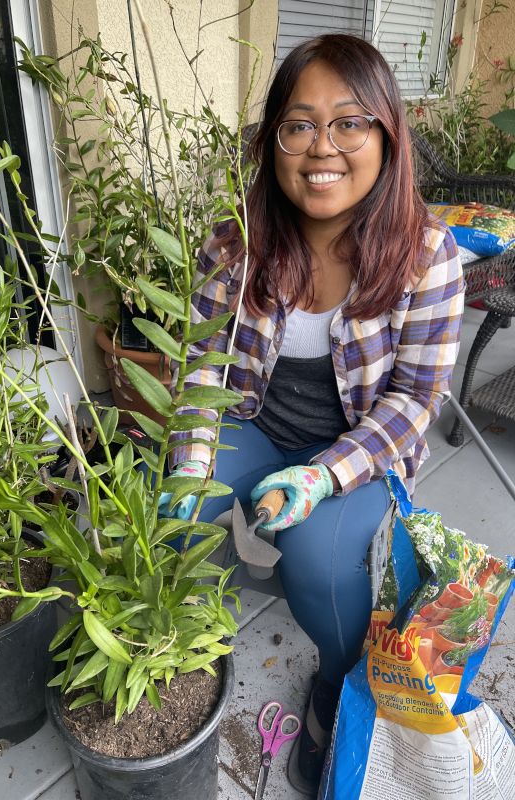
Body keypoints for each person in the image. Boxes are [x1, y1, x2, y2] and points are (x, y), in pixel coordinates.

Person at [159, 33, 464, 793]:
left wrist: (322, 478)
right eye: (298, 125)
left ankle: (334, 680)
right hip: (257, 423)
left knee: (319, 559)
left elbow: (413, 401)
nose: (321, 147)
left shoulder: (427, 253)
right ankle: (179, 647)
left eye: (348, 123)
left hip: (356, 452)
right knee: (169, 504)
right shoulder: (237, 244)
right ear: (274, 141)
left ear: (386, 132)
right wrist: (191, 460)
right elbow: (201, 368)